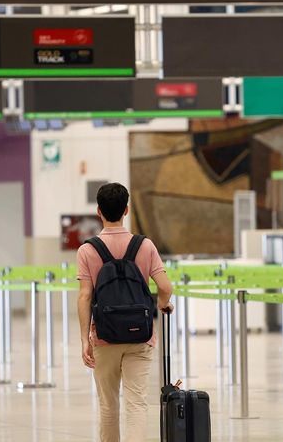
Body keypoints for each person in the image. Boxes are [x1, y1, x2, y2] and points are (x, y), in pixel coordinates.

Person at [77, 182, 174, 442]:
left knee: (108, 406)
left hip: (104, 337)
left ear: (98, 211)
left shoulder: (87, 250)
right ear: (127, 209)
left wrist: (84, 338)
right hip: (139, 336)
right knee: (136, 403)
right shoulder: (145, 246)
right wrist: (162, 304)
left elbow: (85, 296)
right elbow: (165, 287)